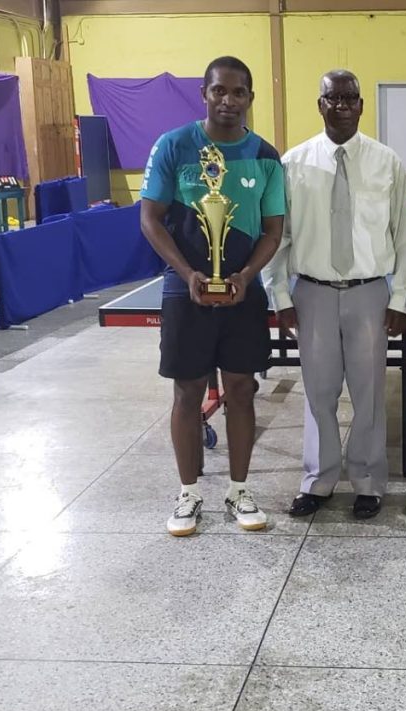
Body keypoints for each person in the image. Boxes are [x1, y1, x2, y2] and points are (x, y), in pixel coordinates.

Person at [264, 70, 406, 520]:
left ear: (361, 105)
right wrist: (280, 296)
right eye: (334, 98)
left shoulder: (386, 162)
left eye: (351, 97)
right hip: (311, 292)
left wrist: (399, 300)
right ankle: (319, 479)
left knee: (370, 392)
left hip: (369, 293)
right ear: (320, 104)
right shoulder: (293, 163)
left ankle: (368, 481)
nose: (343, 105)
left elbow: (405, 237)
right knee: (318, 392)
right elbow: (280, 237)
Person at [140, 56, 285, 536]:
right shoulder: (173, 146)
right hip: (185, 292)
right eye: (219, 90)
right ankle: (188, 495)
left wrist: (245, 276)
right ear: (204, 93)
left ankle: (240, 489)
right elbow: (151, 218)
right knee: (187, 393)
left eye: (238, 92)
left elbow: (273, 229)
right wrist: (186, 274)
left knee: (242, 390)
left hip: (244, 292)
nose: (228, 100)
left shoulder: (266, 156)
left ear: (249, 98)